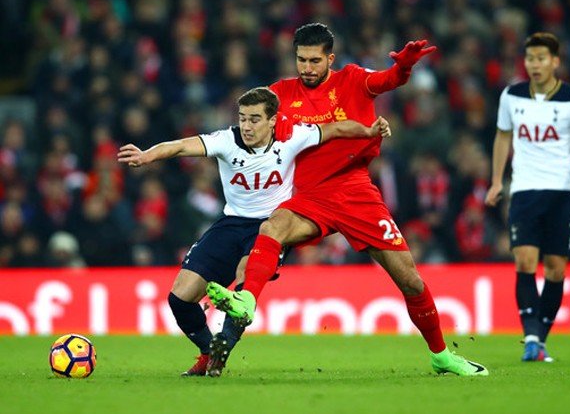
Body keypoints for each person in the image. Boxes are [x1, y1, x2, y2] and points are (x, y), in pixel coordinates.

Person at [206, 23, 489, 376]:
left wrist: (404, 67)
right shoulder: (280, 94)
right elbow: (250, 120)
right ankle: (242, 307)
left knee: (410, 280)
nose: (306, 68)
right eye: (300, 60)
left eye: (314, 60)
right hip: (309, 194)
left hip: (356, 191)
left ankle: (441, 355)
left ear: (330, 59)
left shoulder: (353, 79)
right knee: (272, 227)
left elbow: (387, 81)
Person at [117, 86, 392, 377]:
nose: (246, 126)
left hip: (271, 227)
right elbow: (182, 146)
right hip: (230, 224)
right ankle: (209, 352)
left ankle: (224, 344)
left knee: (245, 280)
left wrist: (368, 129)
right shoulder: (226, 140)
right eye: (243, 118)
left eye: (254, 119)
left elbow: (335, 129)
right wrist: (148, 155)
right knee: (180, 299)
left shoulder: (293, 136)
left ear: (273, 120)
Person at [484, 32, 570, 362]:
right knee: (524, 261)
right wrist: (496, 181)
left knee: (555, 269)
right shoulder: (512, 95)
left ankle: (540, 340)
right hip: (524, 190)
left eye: (541, 59)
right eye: (530, 59)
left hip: (561, 192)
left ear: (555, 61)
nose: (535, 65)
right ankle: (531, 336)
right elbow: (502, 136)